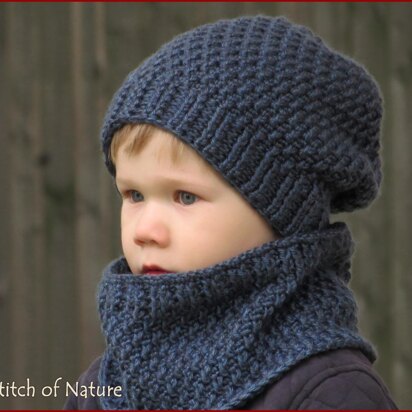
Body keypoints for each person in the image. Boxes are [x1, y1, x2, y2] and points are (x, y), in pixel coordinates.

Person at [64, 15, 398, 409]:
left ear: (280, 211)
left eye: (185, 197)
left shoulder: (330, 392)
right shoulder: (108, 382)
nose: (145, 230)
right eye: (134, 195)